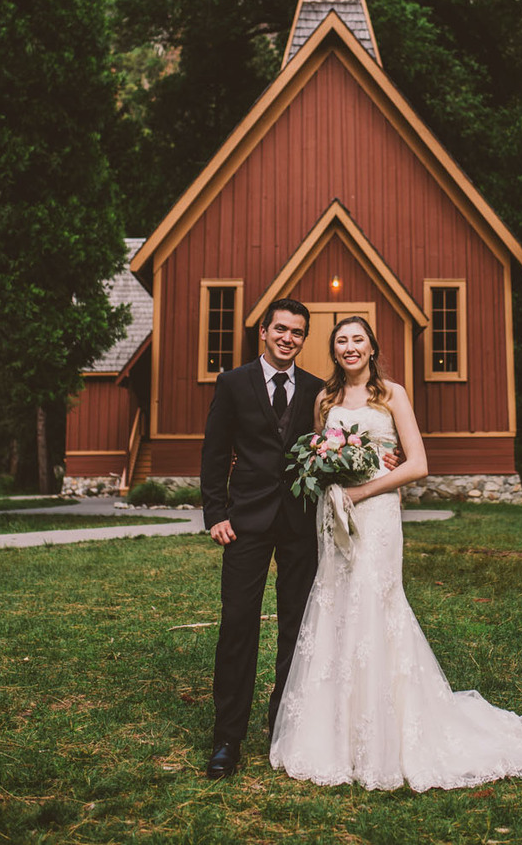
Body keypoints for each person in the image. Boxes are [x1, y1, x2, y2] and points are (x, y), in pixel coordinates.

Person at [270, 315, 522, 791]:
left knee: (373, 604)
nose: (349, 348)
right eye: (341, 341)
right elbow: (320, 456)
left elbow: (419, 463)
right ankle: (333, 734)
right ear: (333, 349)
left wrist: (363, 491)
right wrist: (330, 476)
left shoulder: (393, 395)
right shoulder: (325, 400)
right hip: (335, 515)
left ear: (372, 347)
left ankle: (386, 732)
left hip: (377, 514)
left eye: (357, 340)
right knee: (337, 606)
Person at [200, 298, 322, 781]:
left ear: (302, 338)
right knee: (237, 625)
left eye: (297, 332)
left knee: (297, 627)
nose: (288, 338)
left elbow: (336, 443)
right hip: (245, 522)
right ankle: (227, 738)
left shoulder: (316, 388)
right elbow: (214, 450)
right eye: (281, 329)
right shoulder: (232, 383)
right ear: (265, 332)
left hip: (300, 523)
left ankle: (283, 728)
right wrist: (215, 513)